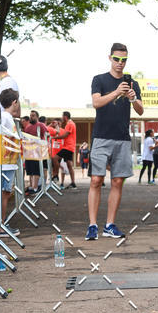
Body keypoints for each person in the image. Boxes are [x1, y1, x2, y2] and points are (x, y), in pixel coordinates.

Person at [85, 43, 143, 240]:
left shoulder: (133, 83)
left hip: (122, 138)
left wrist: (133, 98)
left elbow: (141, 110)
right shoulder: (99, 79)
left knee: (118, 181)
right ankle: (92, 225)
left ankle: (109, 225)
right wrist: (117, 92)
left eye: (124, 60)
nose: (120, 63)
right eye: (117, 59)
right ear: (110, 58)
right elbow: (96, 103)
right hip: (101, 136)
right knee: (96, 180)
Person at [0, 88, 21, 236]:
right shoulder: (5, 117)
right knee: (4, 193)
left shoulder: (6, 117)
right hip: (5, 162)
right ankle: (0, 225)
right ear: (14, 102)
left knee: (5, 193)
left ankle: (1, 223)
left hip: (8, 162)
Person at [23, 109, 49, 194]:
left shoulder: (41, 125)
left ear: (37, 117)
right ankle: (31, 187)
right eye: (30, 115)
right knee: (30, 171)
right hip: (29, 152)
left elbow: (46, 135)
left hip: (38, 152)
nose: (31, 117)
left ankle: (35, 187)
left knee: (36, 170)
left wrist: (43, 147)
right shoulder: (28, 127)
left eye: (33, 115)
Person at [55, 111, 77, 188]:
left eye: (62, 116)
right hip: (70, 147)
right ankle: (73, 183)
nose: (61, 118)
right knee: (69, 165)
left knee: (55, 158)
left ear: (65, 117)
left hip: (68, 147)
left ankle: (55, 175)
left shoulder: (69, 124)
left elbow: (65, 135)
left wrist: (55, 138)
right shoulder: (71, 124)